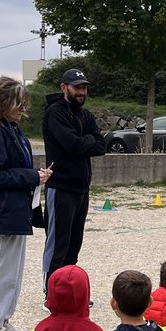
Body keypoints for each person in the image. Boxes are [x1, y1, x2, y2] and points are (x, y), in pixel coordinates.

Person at [0, 77, 52, 331]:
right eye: (18, 103)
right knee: (0, 268)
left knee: (13, 270)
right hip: (3, 210)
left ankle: (2, 319)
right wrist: (31, 176)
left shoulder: (10, 129)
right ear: (3, 102)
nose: (23, 109)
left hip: (16, 209)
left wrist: (34, 176)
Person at [41, 67, 106, 289]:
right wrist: (87, 140)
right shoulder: (55, 113)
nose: (82, 92)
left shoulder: (85, 115)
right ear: (64, 87)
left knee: (74, 245)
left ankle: (67, 293)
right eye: (77, 87)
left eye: (84, 88)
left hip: (81, 189)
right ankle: (51, 292)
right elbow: (72, 144)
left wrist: (84, 142)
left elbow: (101, 146)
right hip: (60, 187)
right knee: (57, 245)